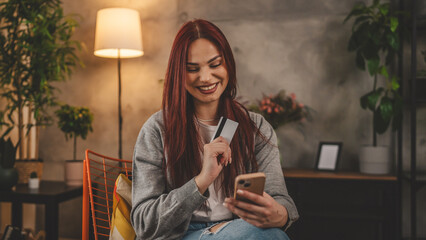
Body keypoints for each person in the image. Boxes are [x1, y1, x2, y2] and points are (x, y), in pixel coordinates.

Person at [131, 19, 299, 240]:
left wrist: (278, 214)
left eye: (215, 64)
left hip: (241, 229)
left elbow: (282, 201)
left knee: (271, 234)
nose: (206, 77)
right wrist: (202, 180)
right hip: (181, 235)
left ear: (228, 63)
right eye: (192, 69)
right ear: (178, 74)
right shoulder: (157, 130)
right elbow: (144, 224)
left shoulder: (255, 128)